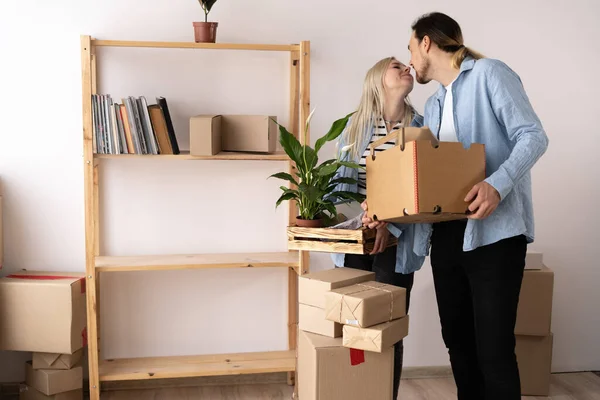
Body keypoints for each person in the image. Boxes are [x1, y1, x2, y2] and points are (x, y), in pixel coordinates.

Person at [369, 11, 547, 400]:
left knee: (494, 349)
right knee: (458, 344)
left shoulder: (490, 74)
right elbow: (425, 183)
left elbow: (533, 136)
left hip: (495, 235)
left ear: (427, 43)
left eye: (410, 49)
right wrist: (384, 216)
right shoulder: (433, 106)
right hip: (448, 238)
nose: (411, 60)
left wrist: (497, 186)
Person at [331, 56, 431, 400]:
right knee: (354, 324)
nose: (406, 68)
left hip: (399, 244)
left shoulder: (422, 126)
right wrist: (370, 220)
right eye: (396, 66)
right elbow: (341, 191)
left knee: (389, 328)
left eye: (407, 65)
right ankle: (357, 392)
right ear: (377, 79)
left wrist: (390, 222)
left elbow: (424, 187)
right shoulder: (354, 127)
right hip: (359, 241)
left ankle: (386, 395)